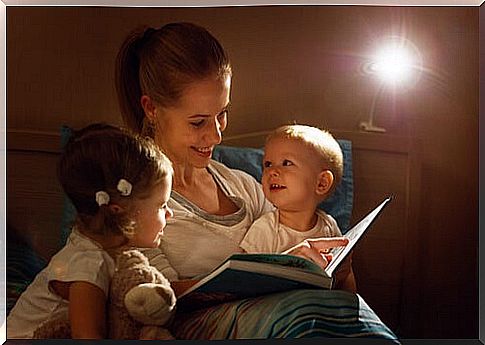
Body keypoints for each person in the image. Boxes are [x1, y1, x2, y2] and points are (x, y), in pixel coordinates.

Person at [115, 22, 398, 341]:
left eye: (222, 113)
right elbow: (148, 298)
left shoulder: (246, 186)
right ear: (151, 108)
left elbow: (289, 246)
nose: (217, 134)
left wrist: (334, 268)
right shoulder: (135, 203)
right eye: (198, 122)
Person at [7, 123, 175, 339]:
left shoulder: (98, 246)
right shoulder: (89, 264)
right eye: (162, 206)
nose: (170, 214)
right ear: (119, 212)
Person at [240, 124, 356, 292]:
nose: (272, 171)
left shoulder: (329, 227)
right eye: (267, 164)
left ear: (322, 183)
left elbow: (346, 276)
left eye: (286, 163)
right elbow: (243, 281)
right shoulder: (265, 229)